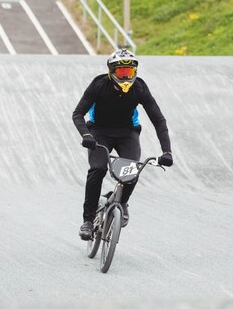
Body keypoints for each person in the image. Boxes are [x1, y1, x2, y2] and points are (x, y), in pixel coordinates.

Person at [72, 48, 173, 240]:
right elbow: (78, 113)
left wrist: (167, 151)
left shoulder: (140, 88)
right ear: (111, 71)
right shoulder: (98, 84)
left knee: (131, 171)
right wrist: (86, 134)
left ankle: (123, 202)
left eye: (130, 72)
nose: (126, 76)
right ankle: (87, 220)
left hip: (127, 133)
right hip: (99, 132)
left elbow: (158, 120)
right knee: (98, 169)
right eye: (121, 72)